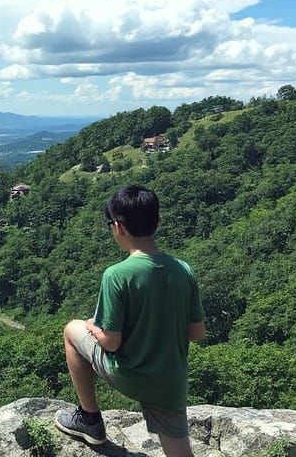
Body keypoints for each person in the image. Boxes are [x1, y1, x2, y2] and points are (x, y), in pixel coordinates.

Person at [55, 185, 206, 457]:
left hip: (129, 376)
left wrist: (92, 327)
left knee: (71, 330)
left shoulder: (117, 275)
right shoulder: (184, 270)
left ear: (117, 227)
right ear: (158, 223)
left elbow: (111, 343)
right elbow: (196, 333)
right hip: (170, 382)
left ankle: (90, 421)